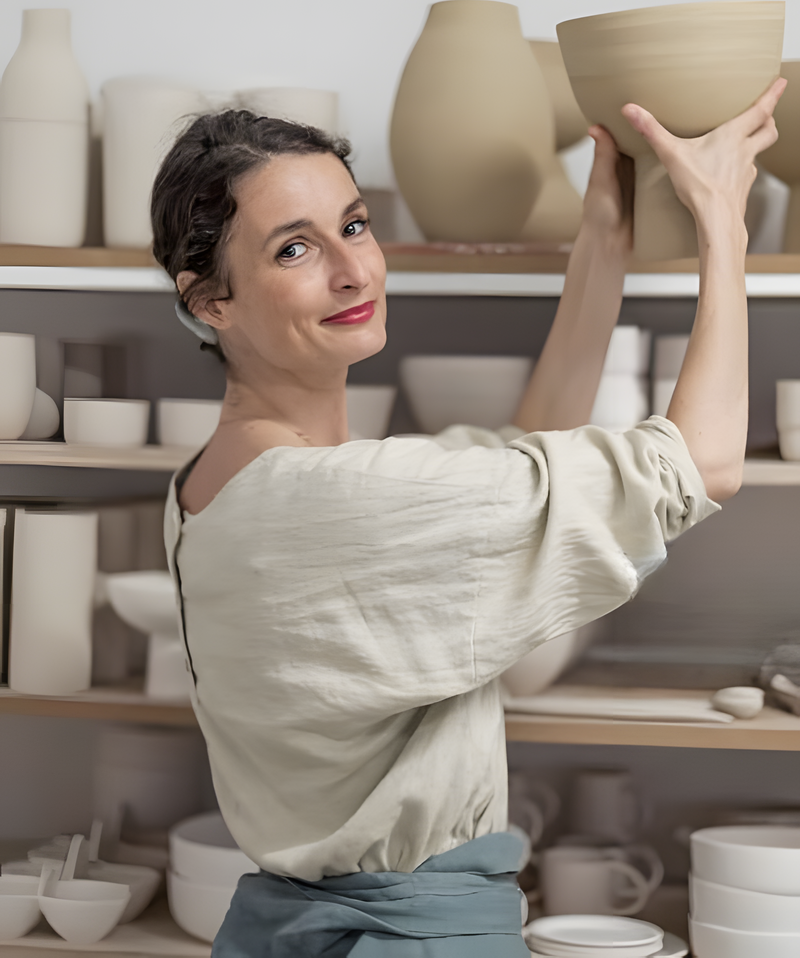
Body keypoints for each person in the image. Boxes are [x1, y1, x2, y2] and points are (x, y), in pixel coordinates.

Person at [152, 78, 786, 957]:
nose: (351, 269)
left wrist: (604, 238)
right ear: (207, 299)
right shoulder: (334, 500)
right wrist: (722, 222)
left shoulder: (204, 487)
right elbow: (704, 462)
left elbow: (517, 462)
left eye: (354, 224)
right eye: (293, 250)